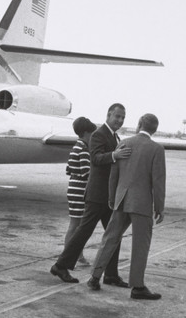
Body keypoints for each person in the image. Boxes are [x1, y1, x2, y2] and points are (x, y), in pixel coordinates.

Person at [49, 103, 132, 285]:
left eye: (123, 118)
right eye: (117, 116)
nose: (120, 120)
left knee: (113, 234)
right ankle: (60, 266)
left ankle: (110, 274)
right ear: (108, 115)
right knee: (84, 232)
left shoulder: (114, 136)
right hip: (97, 195)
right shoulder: (98, 134)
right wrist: (115, 155)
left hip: (108, 196)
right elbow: (95, 158)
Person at [87, 113, 166, 299]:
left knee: (109, 239)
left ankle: (94, 276)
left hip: (121, 200)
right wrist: (159, 207)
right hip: (141, 203)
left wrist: (112, 197)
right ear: (154, 130)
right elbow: (158, 181)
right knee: (140, 245)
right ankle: (137, 287)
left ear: (139, 124)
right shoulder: (156, 149)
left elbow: (113, 174)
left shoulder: (123, 144)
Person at [65, 117, 97, 267]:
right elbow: (87, 172)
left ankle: (77, 255)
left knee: (76, 225)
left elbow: (69, 169)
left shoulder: (76, 147)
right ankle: (69, 256)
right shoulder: (83, 149)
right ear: (86, 133)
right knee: (76, 226)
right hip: (80, 190)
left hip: (74, 187)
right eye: (91, 134)